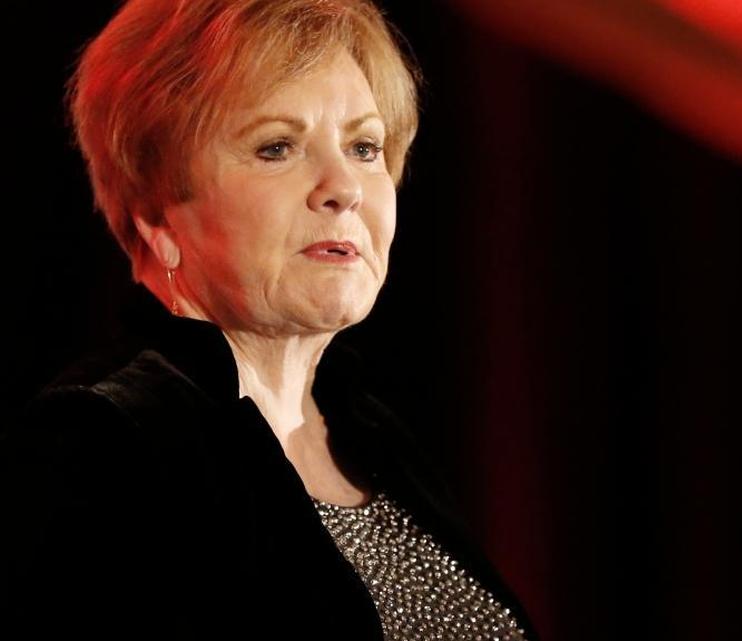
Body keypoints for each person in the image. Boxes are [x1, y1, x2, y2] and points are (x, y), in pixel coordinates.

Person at [0, 1, 534, 638]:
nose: (345, 186)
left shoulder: (374, 438)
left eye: (365, 147)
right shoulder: (103, 446)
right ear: (158, 212)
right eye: (277, 147)